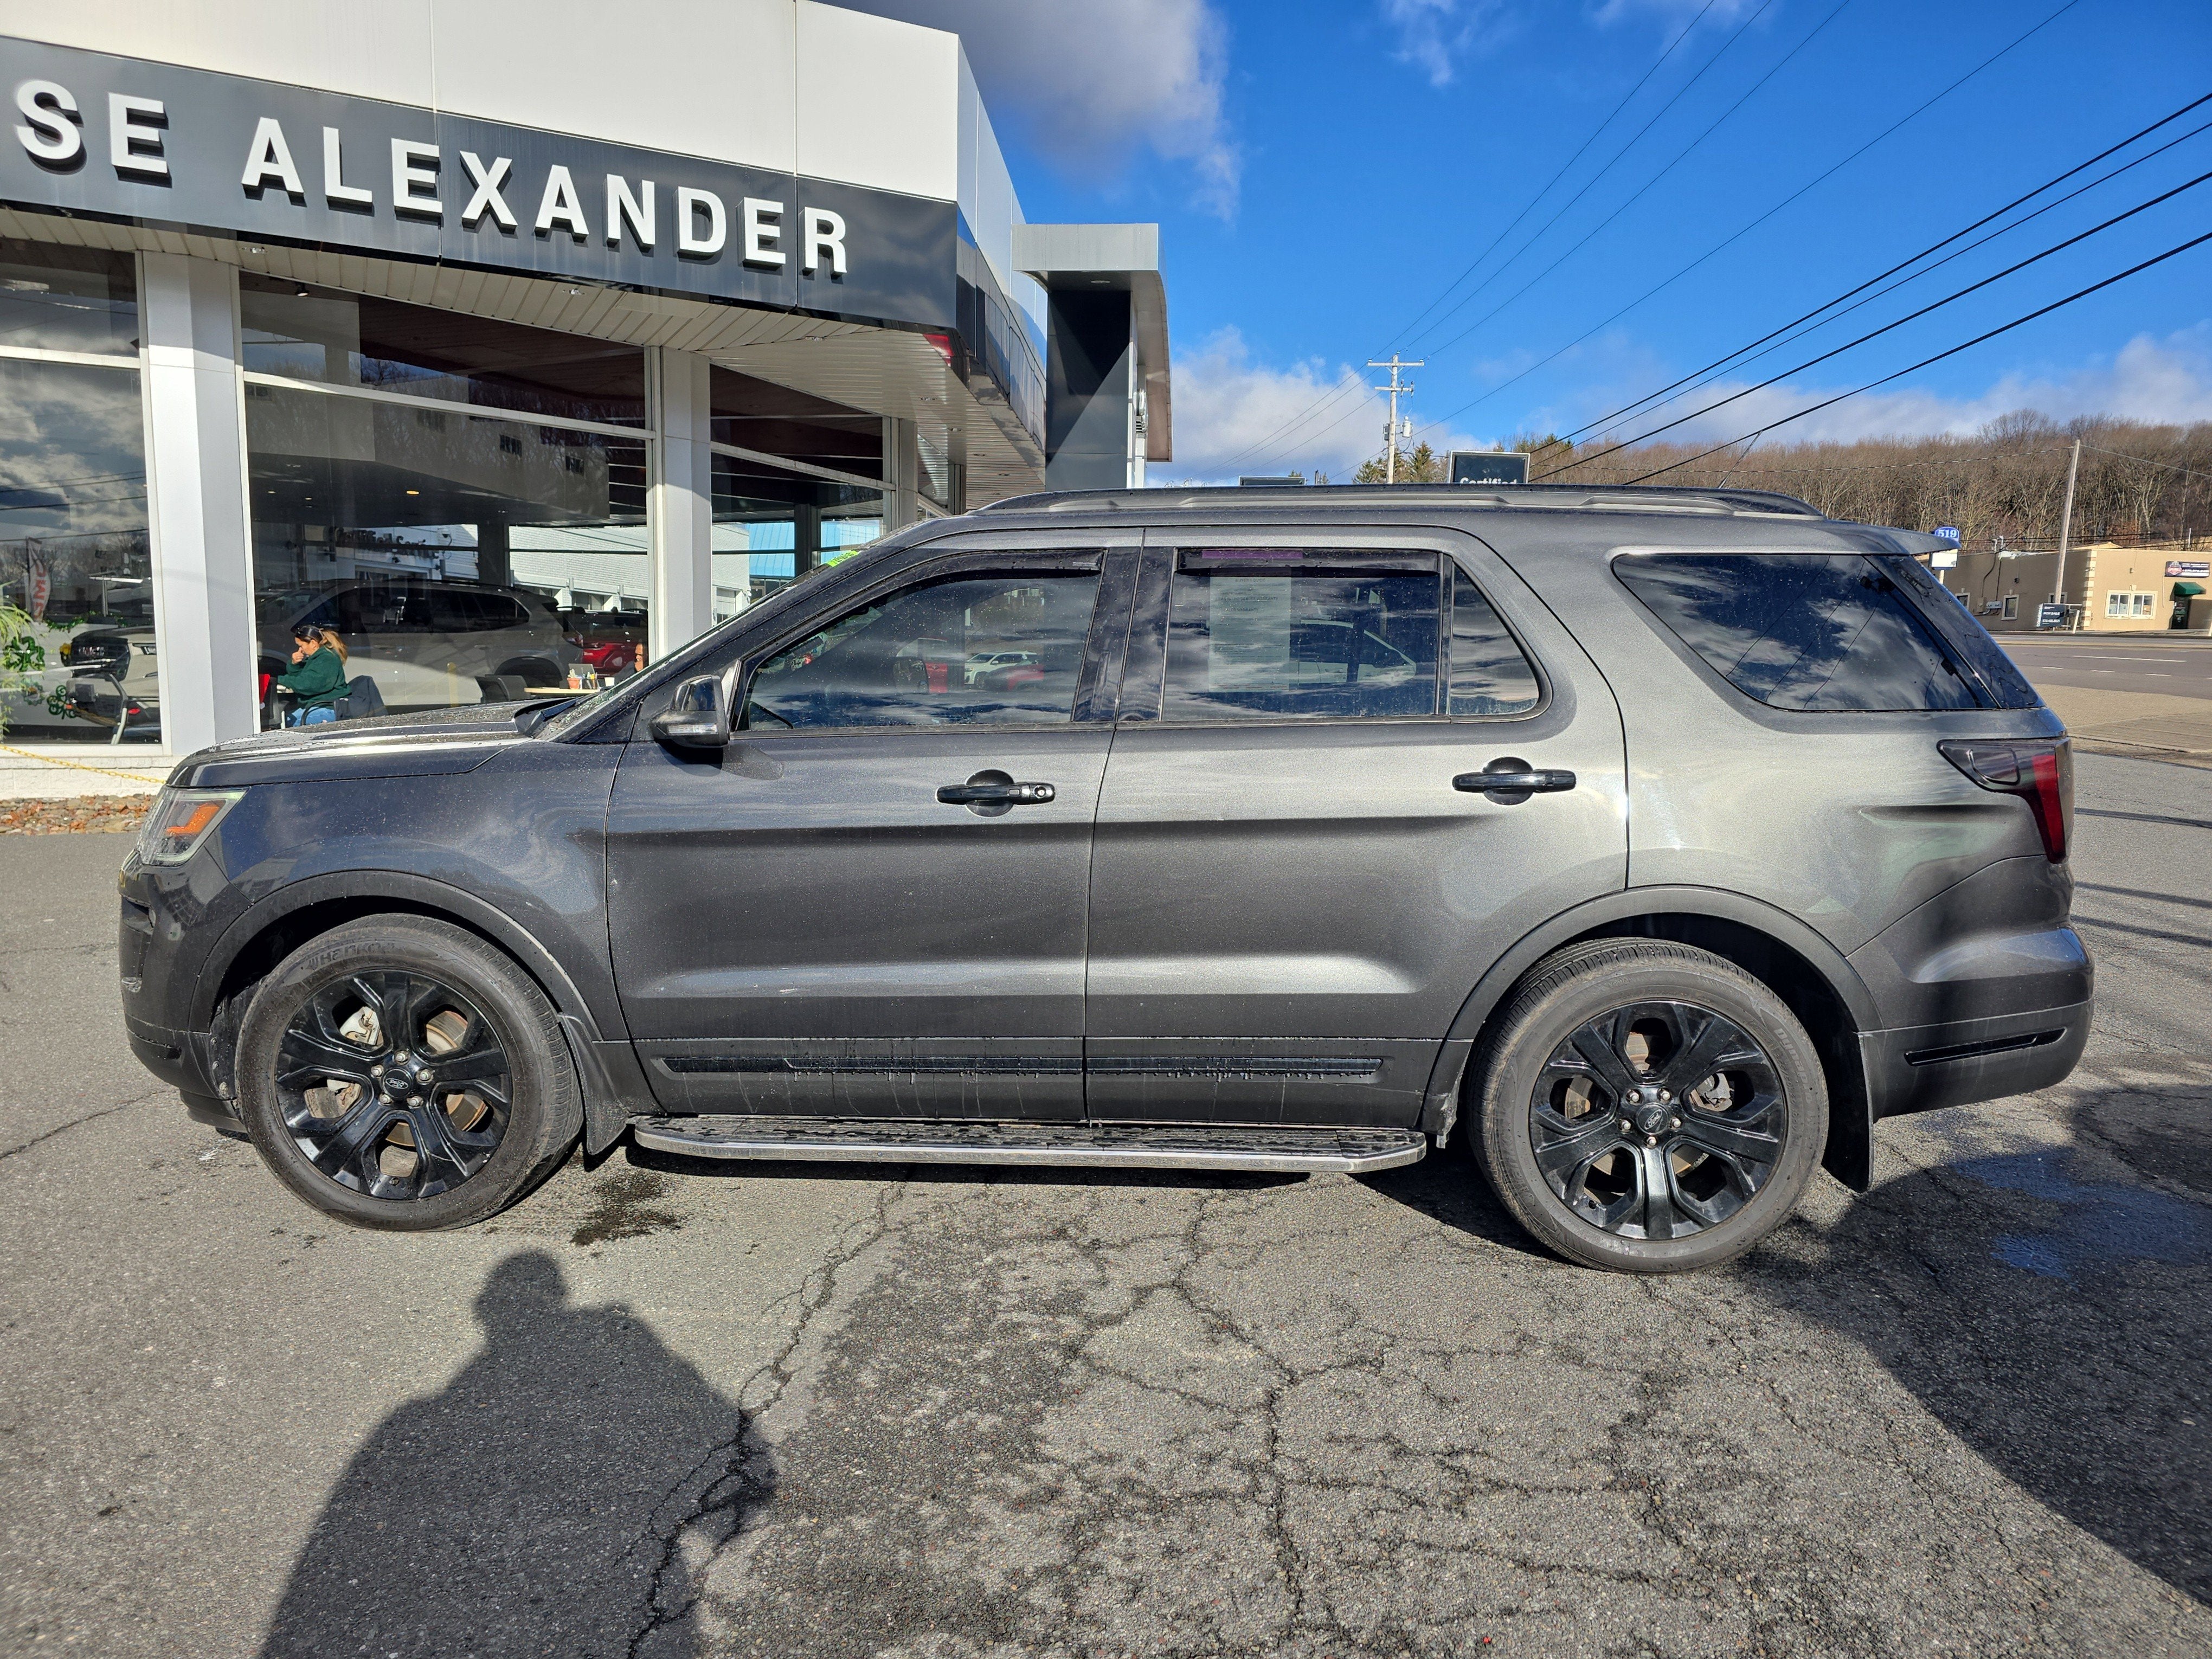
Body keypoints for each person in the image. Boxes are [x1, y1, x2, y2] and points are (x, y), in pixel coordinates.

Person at [276, 623, 350, 725]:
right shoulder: (317, 658)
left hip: (328, 708)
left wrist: (279, 680)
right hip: (317, 705)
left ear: (313, 643)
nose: (301, 650)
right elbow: (302, 677)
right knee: (283, 719)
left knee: (288, 721)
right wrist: (295, 664)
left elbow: (308, 684)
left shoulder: (327, 659)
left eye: (301, 646)